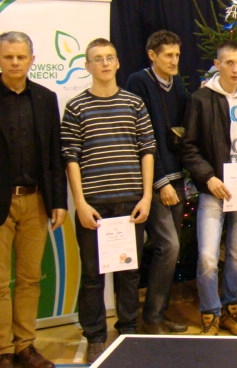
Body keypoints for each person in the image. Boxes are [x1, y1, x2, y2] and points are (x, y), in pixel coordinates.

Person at [61, 38, 156, 363]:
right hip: (94, 207)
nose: (104, 63)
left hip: (130, 204)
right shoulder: (76, 107)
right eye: (98, 59)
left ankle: (128, 330)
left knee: (129, 273)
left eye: (109, 58)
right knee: (92, 276)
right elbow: (70, 157)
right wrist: (80, 203)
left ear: (117, 63)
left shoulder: (134, 104)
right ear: (87, 66)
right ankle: (95, 337)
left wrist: (146, 197)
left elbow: (147, 151)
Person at [181, 41, 237, 336]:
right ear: (217, 64)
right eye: (229, 63)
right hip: (214, 190)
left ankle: (230, 310)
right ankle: (210, 313)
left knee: (236, 254)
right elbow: (189, 147)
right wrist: (208, 178)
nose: (235, 69)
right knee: (208, 257)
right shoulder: (200, 99)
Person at [0, 31, 67, 368]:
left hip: (36, 201)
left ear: (31, 60)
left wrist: (59, 202)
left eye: (20, 57)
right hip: (1, 202)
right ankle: (3, 350)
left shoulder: (45, 98)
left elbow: (54, 155)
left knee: (29, 279)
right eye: (8, 57)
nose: (15, 62)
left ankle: (24, 346)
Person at [125, 30, 189, 334]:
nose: (174, 61)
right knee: (168, 246)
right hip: (153, 181)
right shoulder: (139, 82)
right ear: (152, 55)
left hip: (177, 179)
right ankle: (149, 317)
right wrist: (161, 183)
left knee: (170, 249)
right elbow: (142, 137)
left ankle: (157, 313)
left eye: (177, 55)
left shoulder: (178, 85)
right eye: (168, 55)